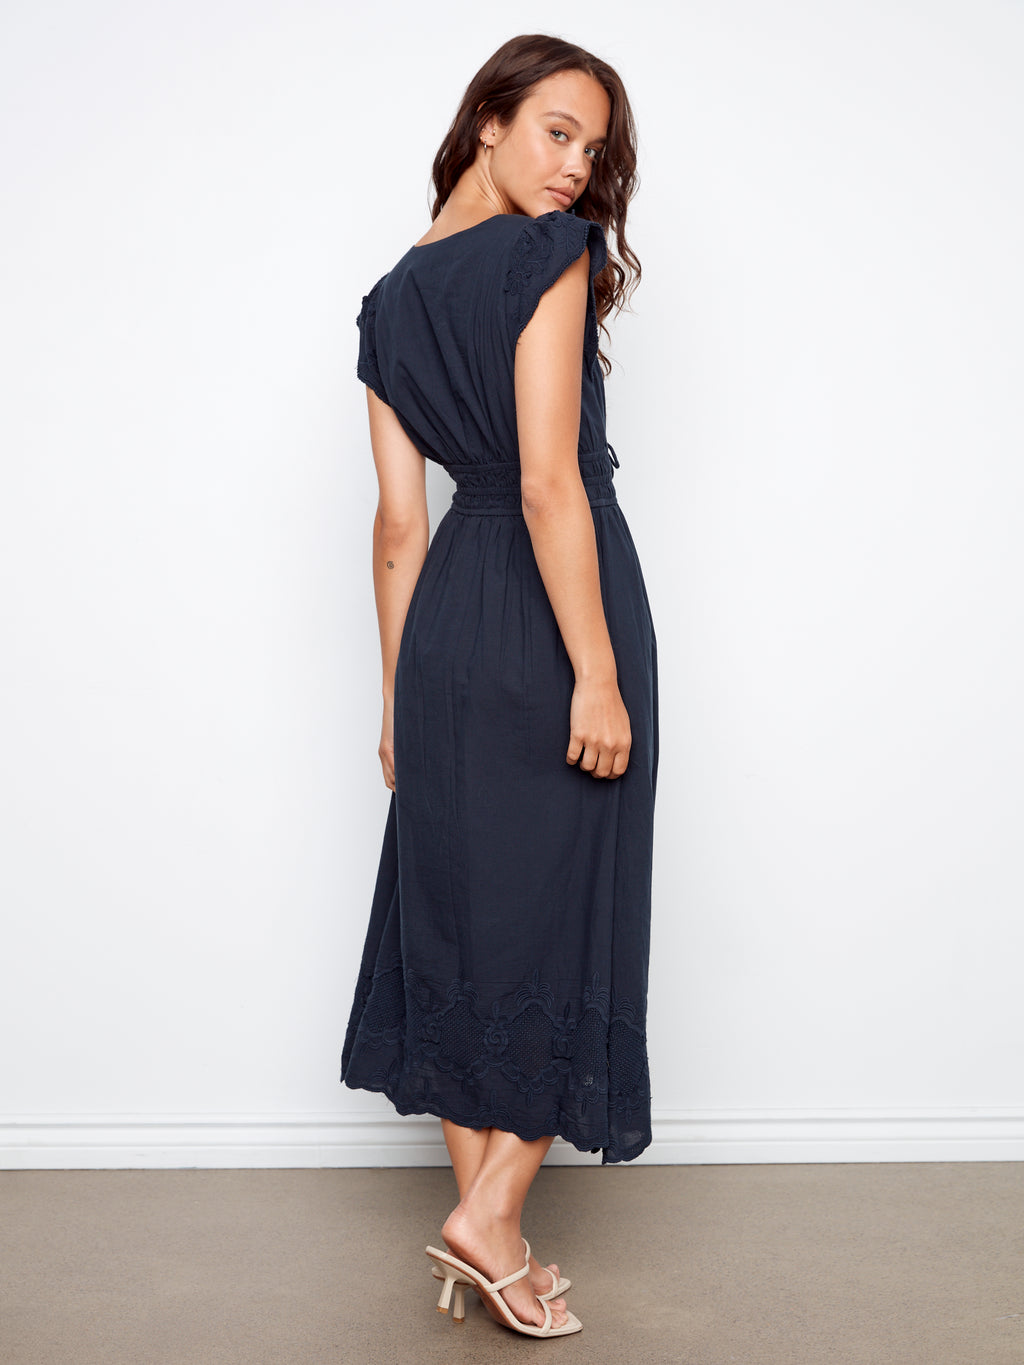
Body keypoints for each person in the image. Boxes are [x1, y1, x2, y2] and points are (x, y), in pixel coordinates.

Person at [340, 33, 658, 1340]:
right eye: (557, 133)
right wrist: (596, 668)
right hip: (547, 607)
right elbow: (545, 480)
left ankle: (494, 1238)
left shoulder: (387, 301)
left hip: (446, 633)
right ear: (488, 122)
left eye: (596, 152)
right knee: (563, 908)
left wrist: (394, 695)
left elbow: (398, 526)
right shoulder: (547, 259)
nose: (578, 171)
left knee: (470, 922)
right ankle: (491, 1218)